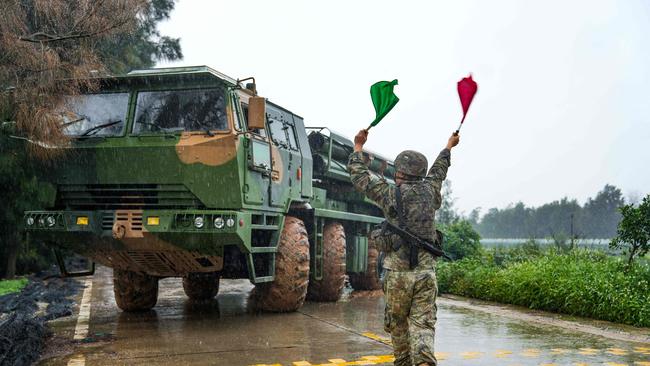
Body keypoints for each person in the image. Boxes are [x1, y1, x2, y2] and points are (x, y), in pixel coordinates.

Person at [347, 129, 460, 366]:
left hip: (397, 275)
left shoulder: (389, 193)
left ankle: (404, 361)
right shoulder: (431, 190)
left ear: (399, 172)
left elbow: (360, 177)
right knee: (423, 323)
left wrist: (358, 147)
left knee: (397, 322)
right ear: (420, 172)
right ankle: (424, 361)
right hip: (426, 273)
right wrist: (448, 147)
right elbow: (439, 170)